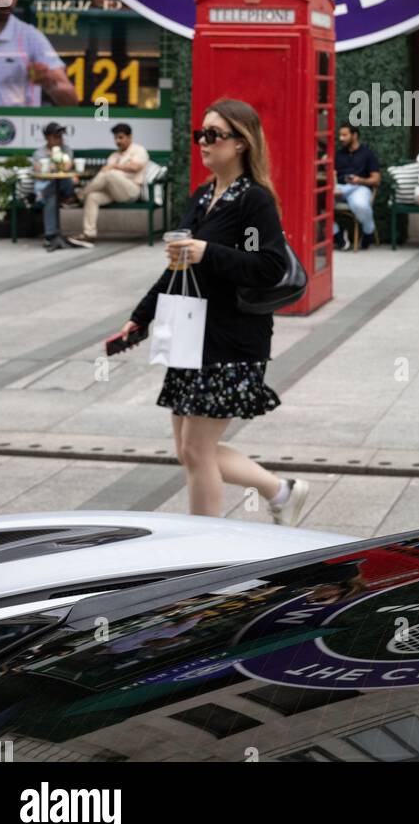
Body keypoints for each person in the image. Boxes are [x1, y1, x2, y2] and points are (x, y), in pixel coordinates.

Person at [118, 97, 310, 525]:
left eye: (213, 135)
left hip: (233, 338)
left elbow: (268, 266)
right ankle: (281, 491)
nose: (203, 142)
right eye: (200, 134)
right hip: (192, 335)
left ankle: (204, 547)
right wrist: (140, 316)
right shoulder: (203, 196)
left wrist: (209, 252)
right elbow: (177, 269)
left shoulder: (253, 201)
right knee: (188, 450)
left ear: (241, 143)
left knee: (198, 450)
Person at [68, 123, 150, 248]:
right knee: (92, 197)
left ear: (130, 137)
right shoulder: (114, 156)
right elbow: (104, 175)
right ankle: (89, 235)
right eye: (116, 138)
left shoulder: (139, 150)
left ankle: (79, 196)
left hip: (131, 191)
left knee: (109, 173)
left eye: (121, 137)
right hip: (113, 192)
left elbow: (135, 167)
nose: (118, 141)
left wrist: (114, 167)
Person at [333, 123, 380, 250]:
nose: (341, 138)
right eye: (340, 135)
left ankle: (368, 232)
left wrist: (360, 180)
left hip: (359, 188)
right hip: (339, 188)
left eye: (344, 135)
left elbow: (376, 179)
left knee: (360, 205)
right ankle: (338, 236)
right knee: (318, 205)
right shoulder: (337, 154)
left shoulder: (367, 154)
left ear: (354, 136)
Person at [31, 121, 76, 253]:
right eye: (56, 136)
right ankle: (51, 236)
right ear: (47, 137)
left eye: (61, 136)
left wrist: (56, 161)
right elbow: (39, 172)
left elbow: (67, 168)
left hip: (61, 188)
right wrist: (54, 162)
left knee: (64, 179)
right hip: (45, 187)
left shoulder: (66, 150)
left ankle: (50, 236)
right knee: (52, 197)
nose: (59, 139)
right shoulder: (39, 153)